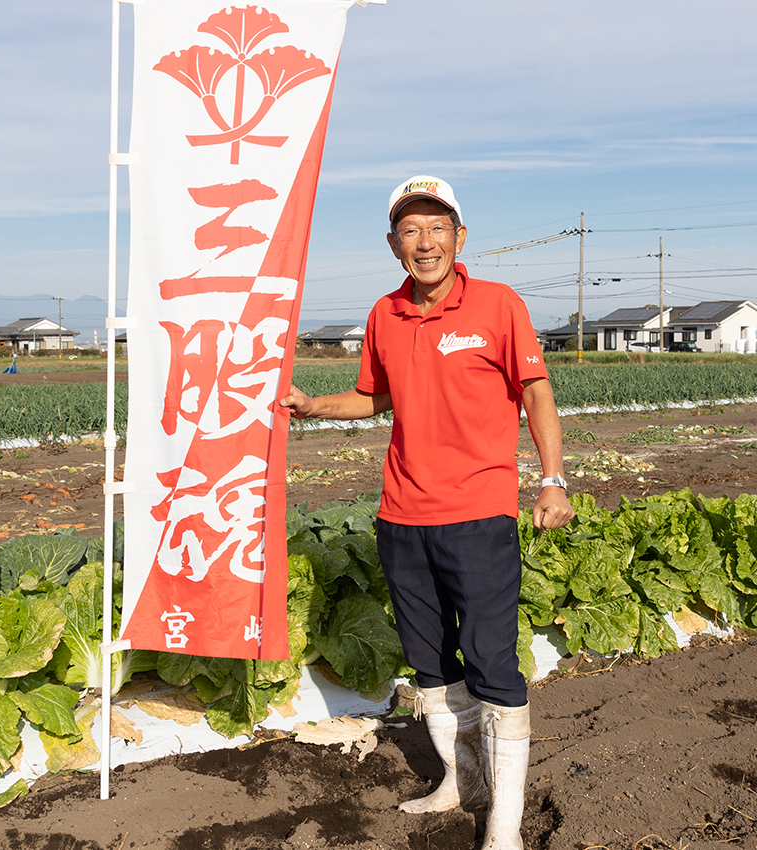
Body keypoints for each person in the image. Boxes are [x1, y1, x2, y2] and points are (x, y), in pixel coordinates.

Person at [279, 175, 574, 850]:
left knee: (493, 662)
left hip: (479, 515)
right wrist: (315, 406)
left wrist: (552, 481)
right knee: (430, 663)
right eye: (410, 230)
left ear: (460, 237)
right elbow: (373, 397)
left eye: (437, 227)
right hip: (403, 518)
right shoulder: (385, 315)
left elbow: (537, 394)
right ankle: (460, 780)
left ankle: (504, 823)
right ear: (393, 245)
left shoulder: (498, 306)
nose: (425, 241)